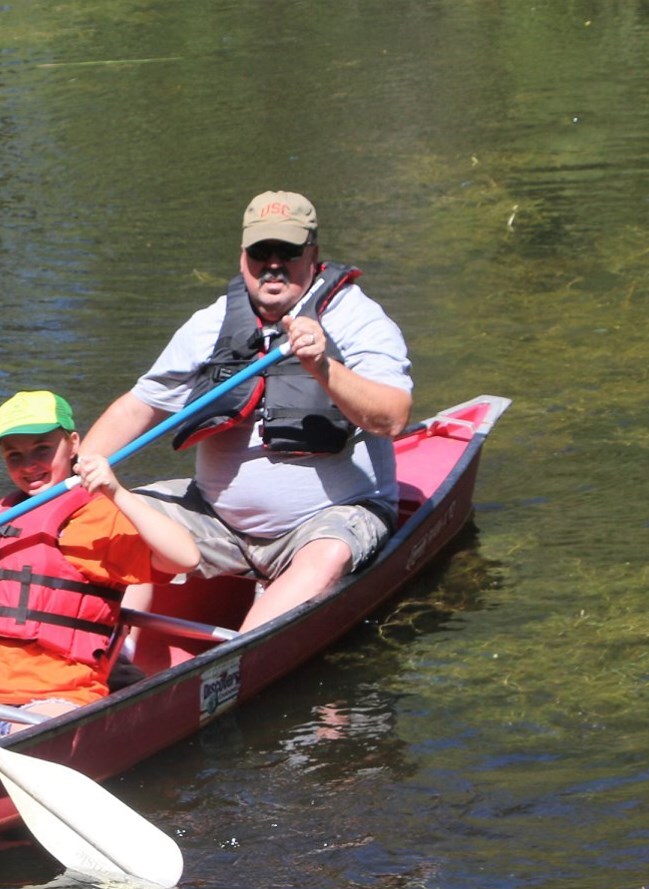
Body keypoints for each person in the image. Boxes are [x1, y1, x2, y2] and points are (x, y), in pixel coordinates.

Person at [79, 191, 413, 633]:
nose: (273, 265)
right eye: (261, 252)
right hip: (218, 519)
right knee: (107, 519)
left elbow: (392, 417)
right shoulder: (210, 324)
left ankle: (243, 654)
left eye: (288, 252)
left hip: (331, 519)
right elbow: (141, 406)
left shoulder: (356, 318)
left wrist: (322, 366)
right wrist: (73, 483)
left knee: (329, 552)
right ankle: (114, 650)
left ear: (313, 255)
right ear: (243, 258)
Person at [0, 390, 199, 731]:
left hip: (56, 697)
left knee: (17, 736)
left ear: (73, 443)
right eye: (14, 455)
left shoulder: (96, 517)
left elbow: (185, 557)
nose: (28, 465)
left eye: (42, 449)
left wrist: (117, 492)